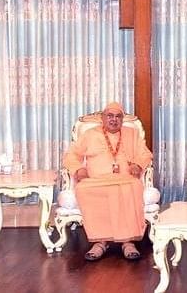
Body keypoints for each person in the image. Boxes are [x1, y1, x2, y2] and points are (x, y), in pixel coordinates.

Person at [63, 102, 153, 261]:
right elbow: (71, 155)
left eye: (118, 116)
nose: (114, 120)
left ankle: (128, 242)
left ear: (122, 119)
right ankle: (100, 242)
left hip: (125, 179)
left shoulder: (131, 134)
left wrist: (138, 165)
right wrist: (78, 169)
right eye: (109, 116)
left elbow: (145, 153)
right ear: (102, 118)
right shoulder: (90, 134)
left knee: (132, 186)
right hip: (96, 180)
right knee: (83, 189)